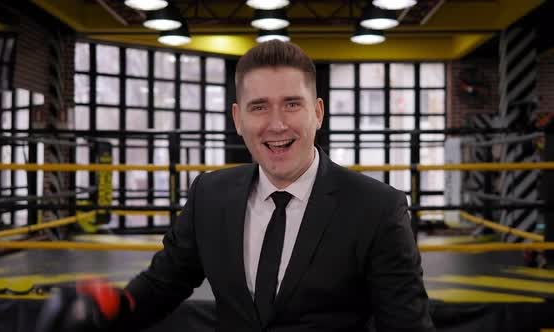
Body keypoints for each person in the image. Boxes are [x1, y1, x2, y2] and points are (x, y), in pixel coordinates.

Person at [37, 40, 434, 332]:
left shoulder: (377, 208)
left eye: (292, 104)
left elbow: (407, 326)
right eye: (259, 106)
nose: (276, 124)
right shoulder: (210, 195)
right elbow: (161, 288)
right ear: (238, 118)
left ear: (318, 112)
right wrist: (107, 307)